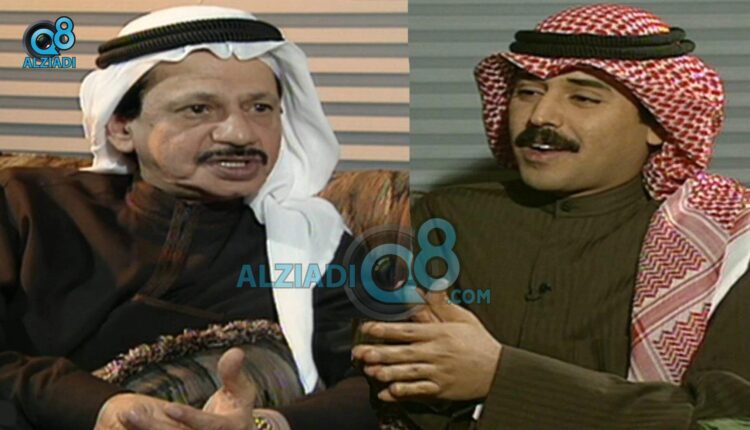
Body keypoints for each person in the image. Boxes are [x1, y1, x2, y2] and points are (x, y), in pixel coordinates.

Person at [354, 4, 750, 429]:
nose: (540, 116)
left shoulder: (723, 239)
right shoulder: (442, 218)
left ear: (659, 123)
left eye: (583, 98)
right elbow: (395, 381)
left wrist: (502, 378)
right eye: (527, 92)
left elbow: (727, 418)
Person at [0, 6, 377, 430]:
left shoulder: (315, 245)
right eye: (199, 109)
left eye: (260, 107)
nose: (240, 134)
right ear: (121, 127)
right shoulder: (25, 204)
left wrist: (269, 423)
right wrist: (98, 408)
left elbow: (383, 381)